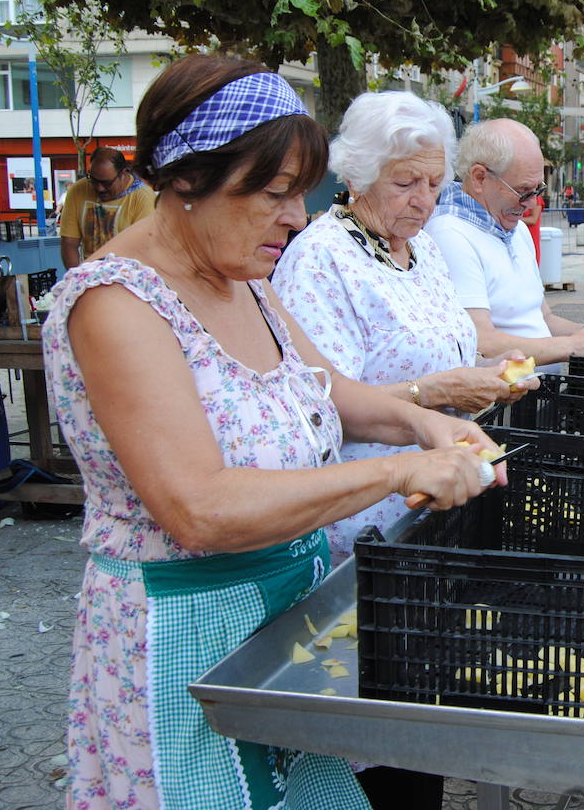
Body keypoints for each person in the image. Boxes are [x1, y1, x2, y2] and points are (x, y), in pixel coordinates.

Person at [43, 54, 500, 810]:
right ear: (188, 178)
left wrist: (423, 423)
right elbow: (200, 508)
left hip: (282, 622)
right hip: (186, 642)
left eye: (301, 193)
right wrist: (395, 473)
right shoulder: (116, 305)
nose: (296, 215)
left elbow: (332, 392)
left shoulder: (245, 280)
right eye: (275, 193)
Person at [273, 90, 538, 561]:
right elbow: (321, 408)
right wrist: (437, 393)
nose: (424, 201)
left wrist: (491, 370)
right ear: (359, 176)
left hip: (437, 507)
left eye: (435, 183)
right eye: (405, 182)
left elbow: (443, 351)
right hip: (367, 528)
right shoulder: (320, 260)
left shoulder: (423, 249)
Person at [424, 118, 584, 366]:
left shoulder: (515, 230)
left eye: (537, 191)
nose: (531, 204)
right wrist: (572, 345)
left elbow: (543, 319)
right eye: (523, 191)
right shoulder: (450, 235)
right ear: (479, 178)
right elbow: (479, 341)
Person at [58, 147, 157, 267]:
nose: (100, 188)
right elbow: (69, 243)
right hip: (89, 275)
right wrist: (77, 278)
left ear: (124, 173)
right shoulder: (78, 190)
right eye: (93, 180)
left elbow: (144, 250)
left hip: (128, 275)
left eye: (106, 183)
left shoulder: (143, 197)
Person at [523, 184, 547, 263]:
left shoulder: (537, 198)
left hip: (531, 235)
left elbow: (533, 219)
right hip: (522, 235)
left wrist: (516, 218)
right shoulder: (523, 197)